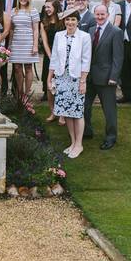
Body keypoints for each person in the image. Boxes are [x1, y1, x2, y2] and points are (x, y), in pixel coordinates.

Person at [47, 11, 91, 158]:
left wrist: (83, 81)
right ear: (64, 21)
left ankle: (79, 144)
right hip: (61, 78)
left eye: (73, 19)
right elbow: (53, 58)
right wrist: (49, 78)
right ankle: (72, 142)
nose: (70, 22)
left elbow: (86, 61)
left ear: (78, 21)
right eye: (67, 19)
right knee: (67, 113)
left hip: (76, 79)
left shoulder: (84, 37)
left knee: (77, 112)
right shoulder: (59, 36)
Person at [83, 5, 124, 151]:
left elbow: (118, 58)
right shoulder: (91, 30)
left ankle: (111, 137)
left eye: (102, 14)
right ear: (94, 15)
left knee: (109, 110)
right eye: (97, 14)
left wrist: (114, 77)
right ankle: (87, 131)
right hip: (90, 77)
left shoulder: (116, 32)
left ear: (108, 15)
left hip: (107, 78)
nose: (100, 17)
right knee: (85, 106)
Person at [3, 0, 39, 108]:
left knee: (28, 68)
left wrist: (35, 45)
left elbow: (36, 29)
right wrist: (10, 45)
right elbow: (11, 29)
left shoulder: (33, 11)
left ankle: (26, 94)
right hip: (17, 43)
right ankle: (20, 93)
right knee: (17, 68)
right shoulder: (14, 11)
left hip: (28, 42)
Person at [39, 0, 62, 121]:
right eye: (45, 7)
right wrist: (51, 56)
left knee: (61, 85)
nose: (47, 9)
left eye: (49, 7)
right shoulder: (43, 22)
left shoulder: (62, 20)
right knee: (49, 85)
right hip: (50, 57)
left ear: (56, 7)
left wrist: (59, 56)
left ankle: (62, 114)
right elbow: (45, 42)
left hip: (62, 56)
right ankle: (53, 112)